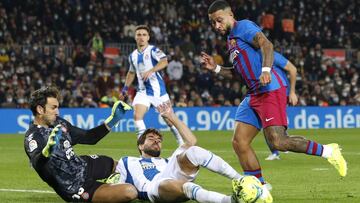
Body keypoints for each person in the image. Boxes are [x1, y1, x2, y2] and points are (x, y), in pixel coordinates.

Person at [201, 0, 347, 186]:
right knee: (239, 142)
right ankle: (259, 187)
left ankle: (328, 151)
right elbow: (239, 74)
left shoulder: (243, 27)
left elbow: (267, 45)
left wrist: (266, 70)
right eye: (213, 23)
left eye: (219, 20)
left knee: (278, 141)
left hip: (269, 90)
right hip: (253, 94)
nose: (216, 26)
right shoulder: (231, 41)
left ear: (230, 15)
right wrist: (215, 69)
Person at [114, 101, 273, 203]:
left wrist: (172, 118)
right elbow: (116, 188)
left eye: (158, 139)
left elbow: (191, 141)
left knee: (194, 151)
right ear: (140, 146)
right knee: (174, 184)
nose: (156, 140)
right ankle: (230, 201)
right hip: (153, 189)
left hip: (171, 177)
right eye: (150, 138)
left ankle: (242, 181)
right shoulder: (127, 161)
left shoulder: (167, 161)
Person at [24, 86, 137, 202]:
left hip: (82, 166)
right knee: (129, 192)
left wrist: (113, 120)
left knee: (121, 166)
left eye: (57, 107)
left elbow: (89, 137)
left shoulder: (60, 123)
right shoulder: (33, 136)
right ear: (40, 109)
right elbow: (37, 163)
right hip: (74, 185)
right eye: (53, 108)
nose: (57, 112)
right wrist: (48, 150)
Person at [120, 25, 182, 141]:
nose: (141, 37)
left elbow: (164, 61)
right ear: (135, 37)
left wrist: (151, 70)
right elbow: (131, 73)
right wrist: (125, 88)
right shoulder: (132, 56)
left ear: (148, 37)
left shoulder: (154, 50)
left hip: (158, 91)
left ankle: (181, 142)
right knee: (137, 116)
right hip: (142, 92)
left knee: (169, 121)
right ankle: (142, 145)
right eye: (139, 35)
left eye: (144, 35)